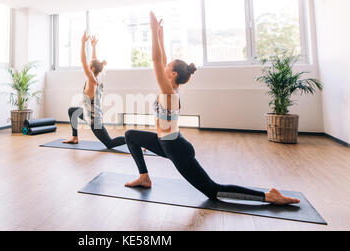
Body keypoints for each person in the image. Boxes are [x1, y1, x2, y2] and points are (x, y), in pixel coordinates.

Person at [124, 12, 300, 205]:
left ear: (173, 74)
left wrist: (152, 31)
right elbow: (162, 59)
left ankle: (268, 196)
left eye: (168, 68)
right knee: (131, 135)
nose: (163, 67)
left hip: (177, 149)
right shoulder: (169, 89)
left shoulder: (169, 94)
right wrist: (159, 34)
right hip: (164, 142)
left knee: (212, 191)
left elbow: (157, 61)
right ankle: (144, 177)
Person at [63, 32, 126, 149]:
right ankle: (74, 137)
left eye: (89, 65)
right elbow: (94, 62)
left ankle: (135, 140)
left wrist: (82, 43)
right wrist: (93, 46)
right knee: (72, 111)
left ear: (91, 69)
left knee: (110, 143)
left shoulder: (92, 81)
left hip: (94, 121)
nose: (87, 65)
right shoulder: (99, 75)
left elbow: (83, 60)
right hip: (89, 114)